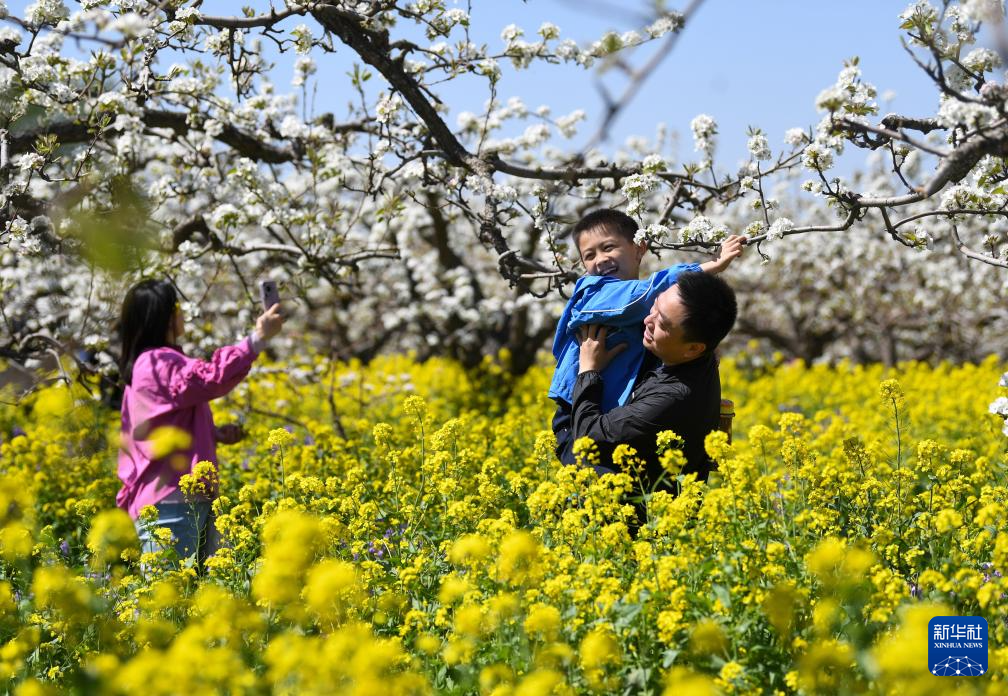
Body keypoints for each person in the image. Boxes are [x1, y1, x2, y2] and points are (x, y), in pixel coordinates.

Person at [549, 208, 743, 465]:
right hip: (574, 411)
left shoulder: (646, 307)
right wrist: (709, 266)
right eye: (589, 255)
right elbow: (645, 292)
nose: (601, 259)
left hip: (602, 410)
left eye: (608, 247)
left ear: (640, 248)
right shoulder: (595, 292)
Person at [115, 279, 283, 562]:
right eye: (176, 307)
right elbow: (211, 377)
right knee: (169, 588)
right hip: (172, 499)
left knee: (205, 585)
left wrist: (211, 433)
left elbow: (158, 426)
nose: (182, 312)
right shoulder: (157, 363)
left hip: (183, 496)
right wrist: (257, 339)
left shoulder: (150, 364)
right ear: (164, 316)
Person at [570, 271, 738, 491]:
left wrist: (588, 369)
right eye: (655, 307)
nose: (648, 321)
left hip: (637, 509)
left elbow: (587, 436)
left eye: (663, 324)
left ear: (693, 348)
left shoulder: (672, 399)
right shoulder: (695, 356)